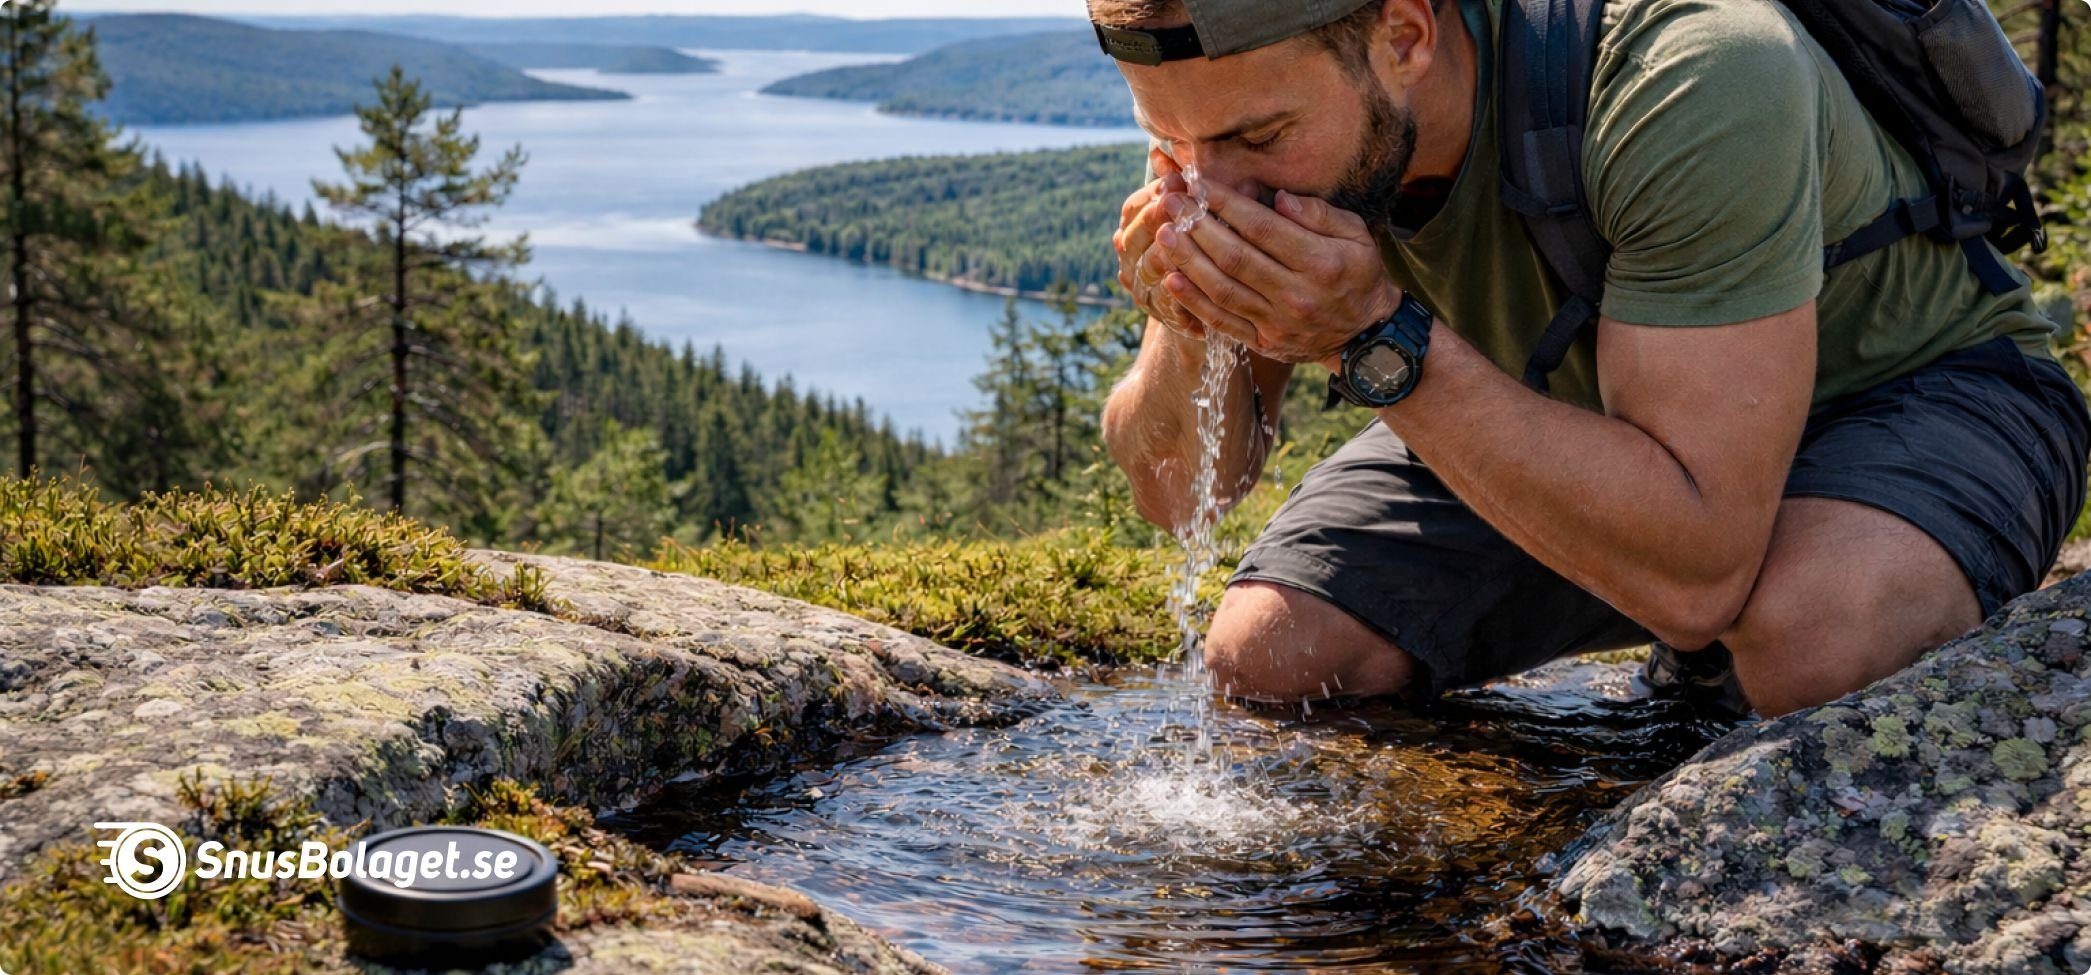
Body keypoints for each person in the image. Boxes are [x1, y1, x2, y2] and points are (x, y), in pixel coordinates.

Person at [1093, 0, 2091, 718]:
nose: (1215, 189)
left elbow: (1696, 581)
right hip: (1590, 410)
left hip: (1916, 390)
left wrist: (1368, 336)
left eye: (1258, 135)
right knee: (1273, 655)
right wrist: (1194, 309)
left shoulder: (1692, 69)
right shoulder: (1241, 166)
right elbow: (1182, 497)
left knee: (1811, 640)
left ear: (1403, 34)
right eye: (1171, 143)